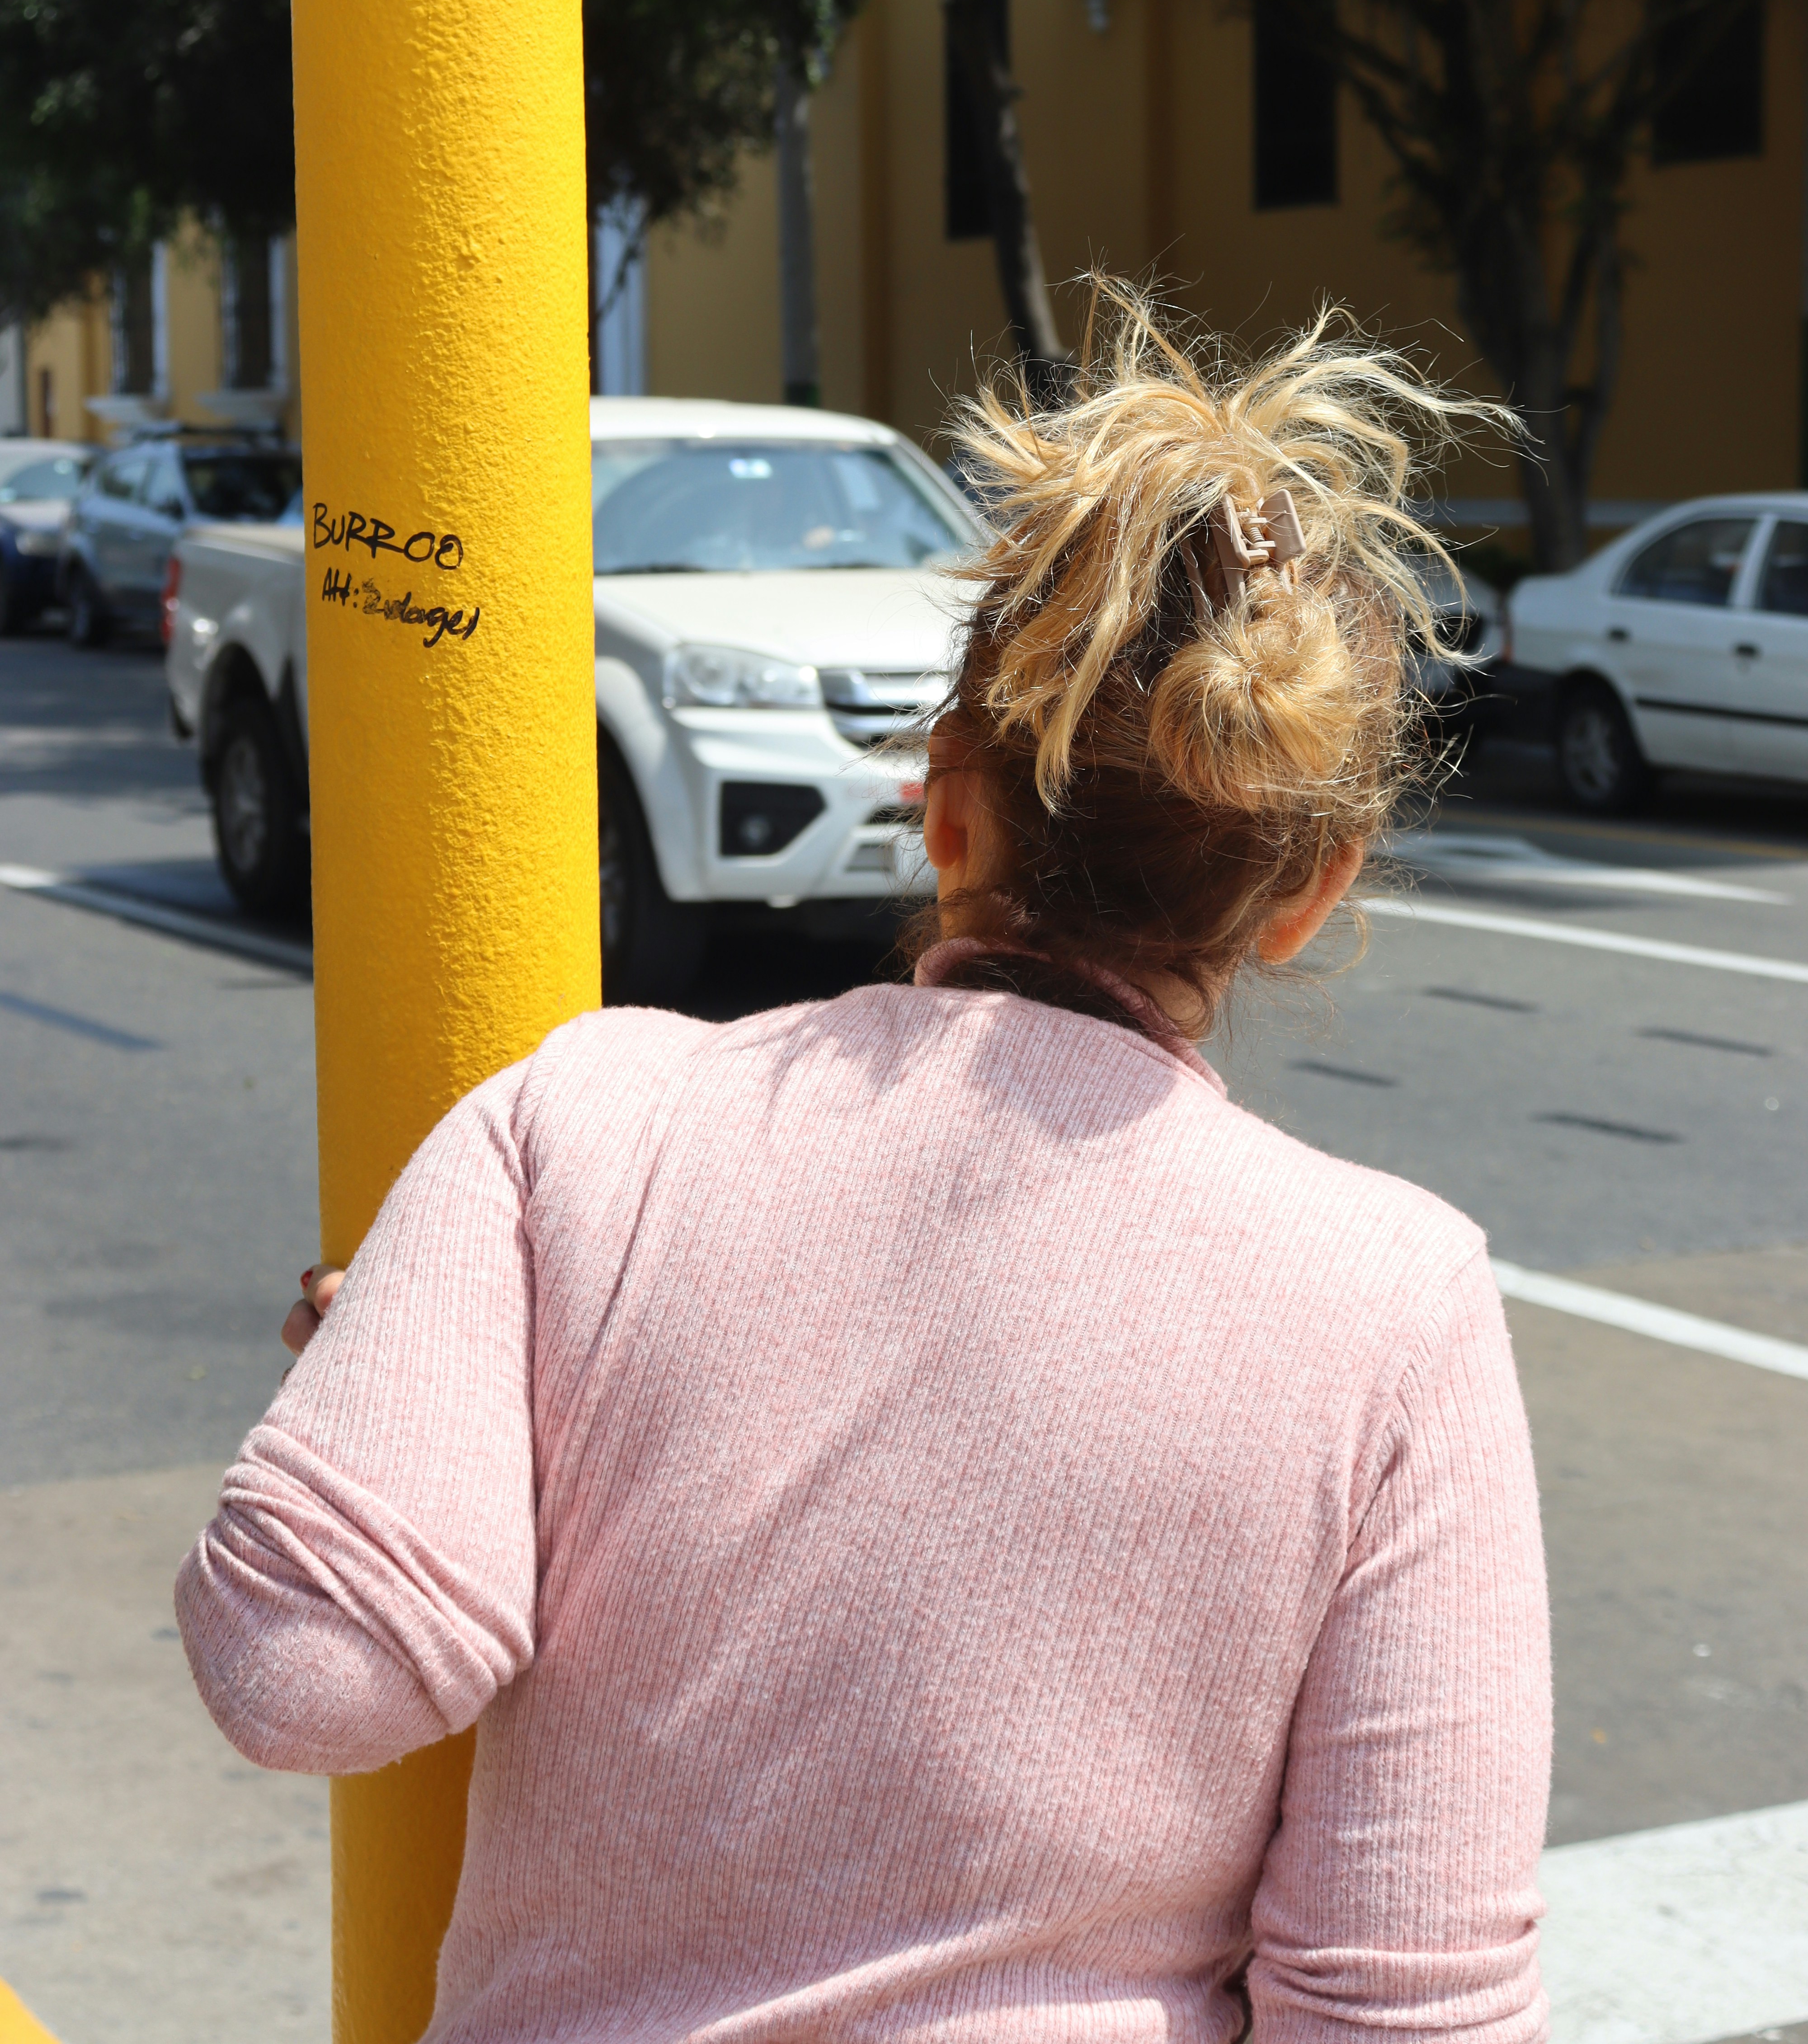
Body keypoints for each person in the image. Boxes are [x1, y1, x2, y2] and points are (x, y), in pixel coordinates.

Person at [177, 288, 1550, 2044]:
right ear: (1312, 885)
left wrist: (403, 1394)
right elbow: (1401, 2016)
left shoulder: (585, 1127)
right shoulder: (1392, 1305)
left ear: (945, 795)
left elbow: (305, 1675)